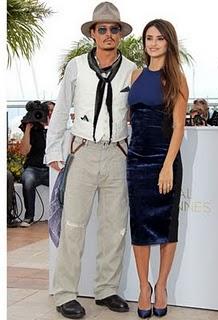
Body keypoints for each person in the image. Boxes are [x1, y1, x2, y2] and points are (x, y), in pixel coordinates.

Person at [45, 2, 136, 319]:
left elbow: (137, 114)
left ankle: (107, 289)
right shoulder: (75, 67)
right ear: (93, 34)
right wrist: (54, 149)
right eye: (102, 29)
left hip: (117, 154)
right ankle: (65, 293)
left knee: (115, 228)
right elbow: (61, 109)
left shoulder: (132, 69)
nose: (108, 34)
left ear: (120, 35)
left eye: (114, 29)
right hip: (82, 151)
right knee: (73, 226)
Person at [127, 19, 189, 318]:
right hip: (136, 160)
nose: (153, 43)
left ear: (169, 43)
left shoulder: (176, 78)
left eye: (160, 38)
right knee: (139, 226)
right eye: (149, 38)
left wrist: (167, 167)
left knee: (165, 226)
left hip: (164, 161)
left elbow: (179, 127)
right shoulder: (136, 74)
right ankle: (143, 288)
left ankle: (161, 286)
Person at [19, 100, 54, 227]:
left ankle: (62, 215)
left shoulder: (58, 130)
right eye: (47, 111)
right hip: (33, 168)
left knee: (66, 183)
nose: (49, 114)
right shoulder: (34, 130)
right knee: (28, 180)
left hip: (52, 169)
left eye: (52, 111)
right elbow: (23, 152)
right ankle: (29, 217)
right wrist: (28, 129)